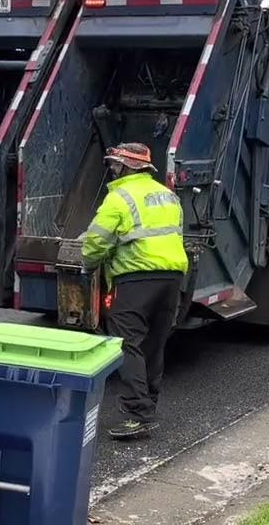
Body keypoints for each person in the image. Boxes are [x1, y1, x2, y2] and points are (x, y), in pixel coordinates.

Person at [81, 143, 189, 439]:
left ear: (128, 166)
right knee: (154, 344)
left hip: (136, 279)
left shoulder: (119, 198)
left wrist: (88, 265)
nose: (112, 169)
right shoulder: (168, 196)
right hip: (171, 279)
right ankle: (148, 406)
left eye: (116, 165)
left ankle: (138, 414)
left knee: (125, 343)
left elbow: (97, 240)